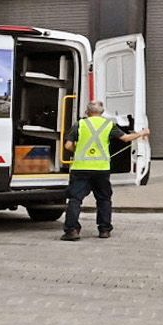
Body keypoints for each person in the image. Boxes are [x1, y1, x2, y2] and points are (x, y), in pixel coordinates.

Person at [61, 100, 133, 241]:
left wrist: (79, 151)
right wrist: (142, 133)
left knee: (75, 199)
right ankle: (104, 229)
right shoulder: (108, 124)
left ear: (87, 112)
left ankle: (71, 231)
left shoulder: (79, 124)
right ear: (102, 112)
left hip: (81, 168)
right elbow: (126, 138)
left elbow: (68, 145)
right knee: (104, 199)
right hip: (101, 169)